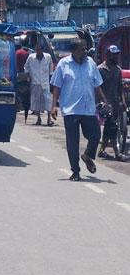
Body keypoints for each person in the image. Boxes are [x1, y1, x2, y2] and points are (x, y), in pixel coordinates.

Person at [51, 38, 108, 181]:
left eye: (85, 48)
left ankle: (88, 155)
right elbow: (56, 86)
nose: (85, 51)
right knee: (72, 142)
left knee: (95, 135)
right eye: (82, 49)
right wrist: (53, 106)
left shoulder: (91, 63)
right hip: (70, 109)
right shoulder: (63, 64)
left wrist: (104, 101)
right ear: (74, 51)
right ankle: (75, 171)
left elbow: (97, 84)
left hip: (88, 109)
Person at [97, 45, 128, 162]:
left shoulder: (118, 70)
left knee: (108, 129)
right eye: (113, 54)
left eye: (117, 54)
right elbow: (97, 87)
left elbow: (120, 87)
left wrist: (123, 101)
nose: (116, 56)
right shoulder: (100, 69)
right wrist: (103, 101)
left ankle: (102, 150)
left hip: (114, 103)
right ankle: (117, 153)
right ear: (108, 55)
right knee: (113, 127)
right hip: (103, 104)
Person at [24, 41, 53, 126]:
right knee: (36, 101)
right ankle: (38, 118)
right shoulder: (31, 57)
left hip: (45, 82)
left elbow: (51, 69)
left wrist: (51, 82)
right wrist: (28, 76)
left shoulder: (48, 57)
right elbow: (26, 68)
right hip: (35, 82)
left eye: (39, 49)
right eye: (37, 50)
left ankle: (49, 118)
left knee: (47, 101)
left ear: (42, 50)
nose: (38, 51)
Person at [15, 43, 31, 121]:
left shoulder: (17, 52)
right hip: (25, 74)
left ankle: (18, 106)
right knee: (26, 92)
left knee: (18, 91)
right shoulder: (27, 53)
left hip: (18, 73)